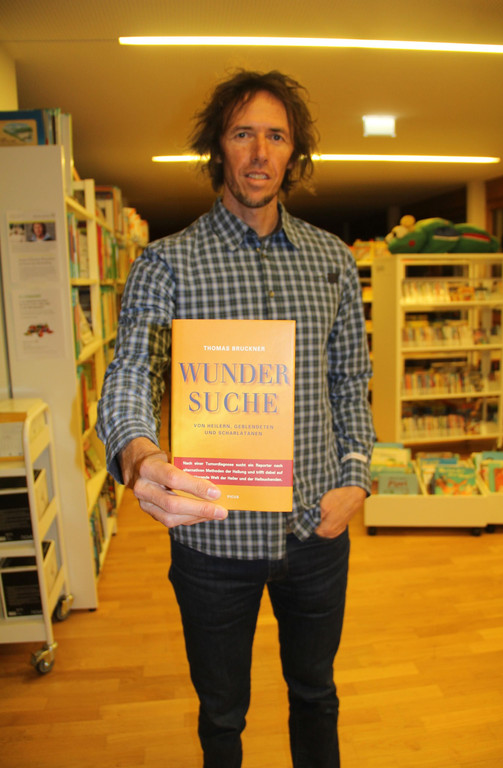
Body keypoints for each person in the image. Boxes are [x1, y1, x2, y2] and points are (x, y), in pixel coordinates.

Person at [97, 69, 376, 768]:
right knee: (222, 714)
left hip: (316, 528)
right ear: (217, 147)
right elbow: (132, 369)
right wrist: (138, 453)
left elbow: (351, 382)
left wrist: (356, 477)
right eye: (242, 133)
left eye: (275, 136)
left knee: (317, 693)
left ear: (293, 152)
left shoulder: (333, 261)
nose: (258, 153)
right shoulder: (168, 263)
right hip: (214, 537)